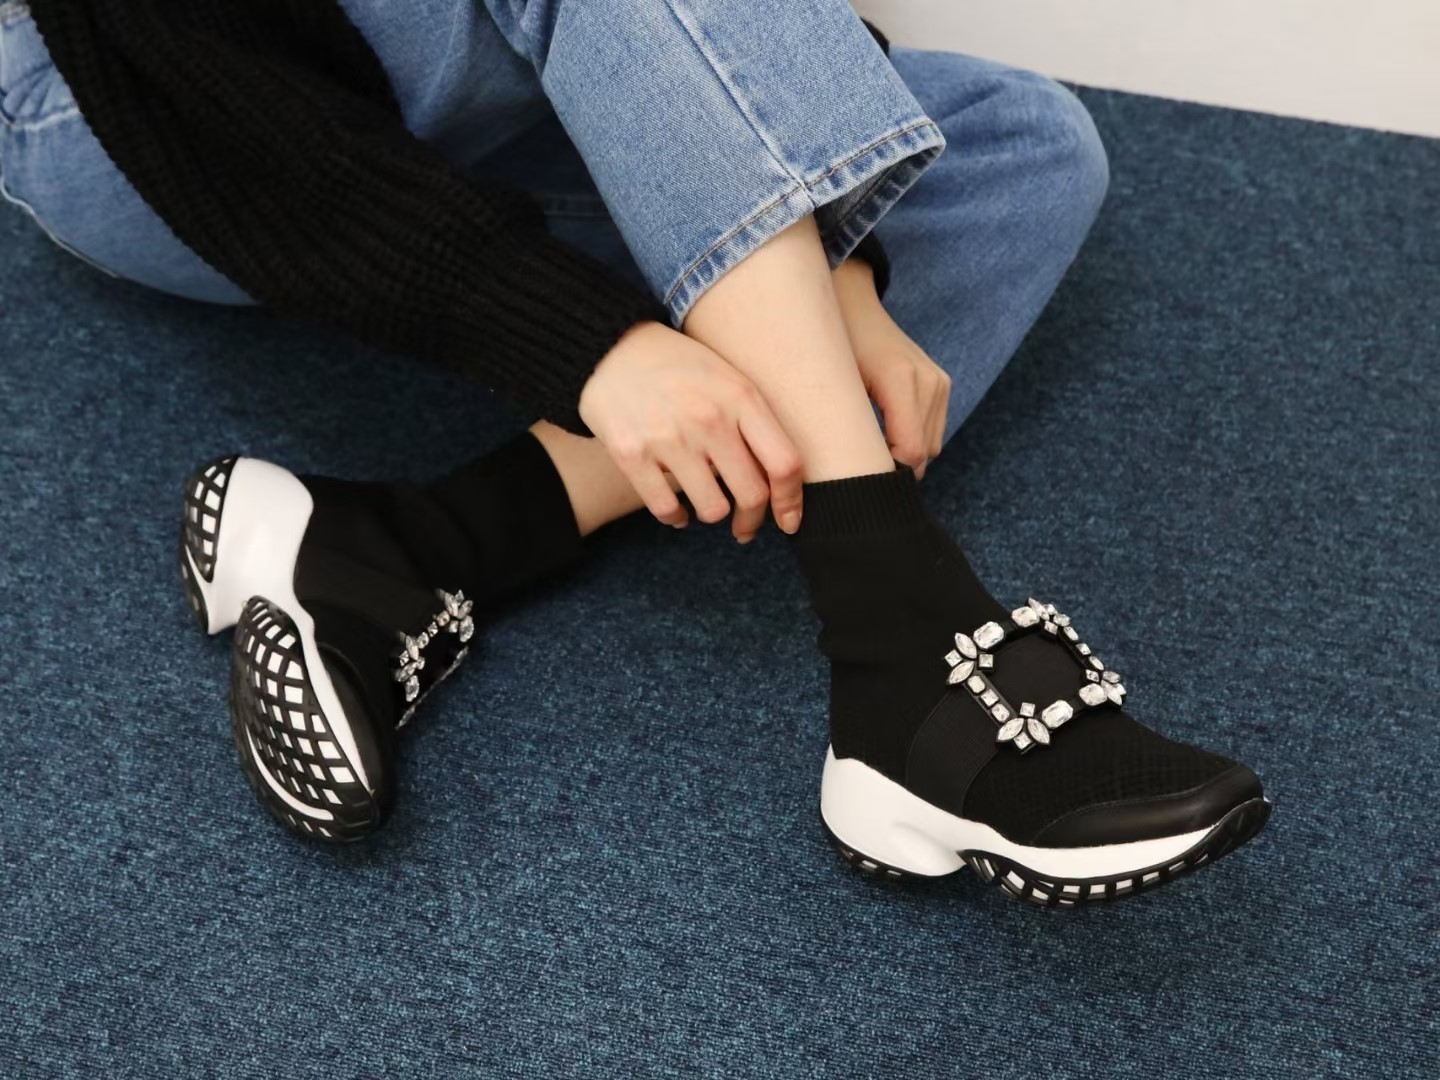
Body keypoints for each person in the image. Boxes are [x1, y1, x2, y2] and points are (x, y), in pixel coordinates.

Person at [1, 0, 1268, 904]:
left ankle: (411, 547)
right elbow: (198, 77)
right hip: (159, 110)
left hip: (491, 60)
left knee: (1021, 147)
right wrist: (592, 349)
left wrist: (844, 252)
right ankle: (900, 630)